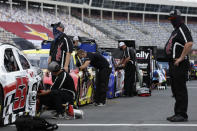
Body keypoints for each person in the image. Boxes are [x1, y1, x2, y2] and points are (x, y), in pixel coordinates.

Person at [164, 9, 193, 122]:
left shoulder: (182, 28)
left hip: (179, 63)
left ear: (178, 18)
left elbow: (189, 43)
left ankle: (182, 114)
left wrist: (181, 58)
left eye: (173, 19)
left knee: (180, 89)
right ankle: (177, 112)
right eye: (170, 19)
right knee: (175, 89)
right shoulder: (175, 30)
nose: (171, 21)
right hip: (174, 64)